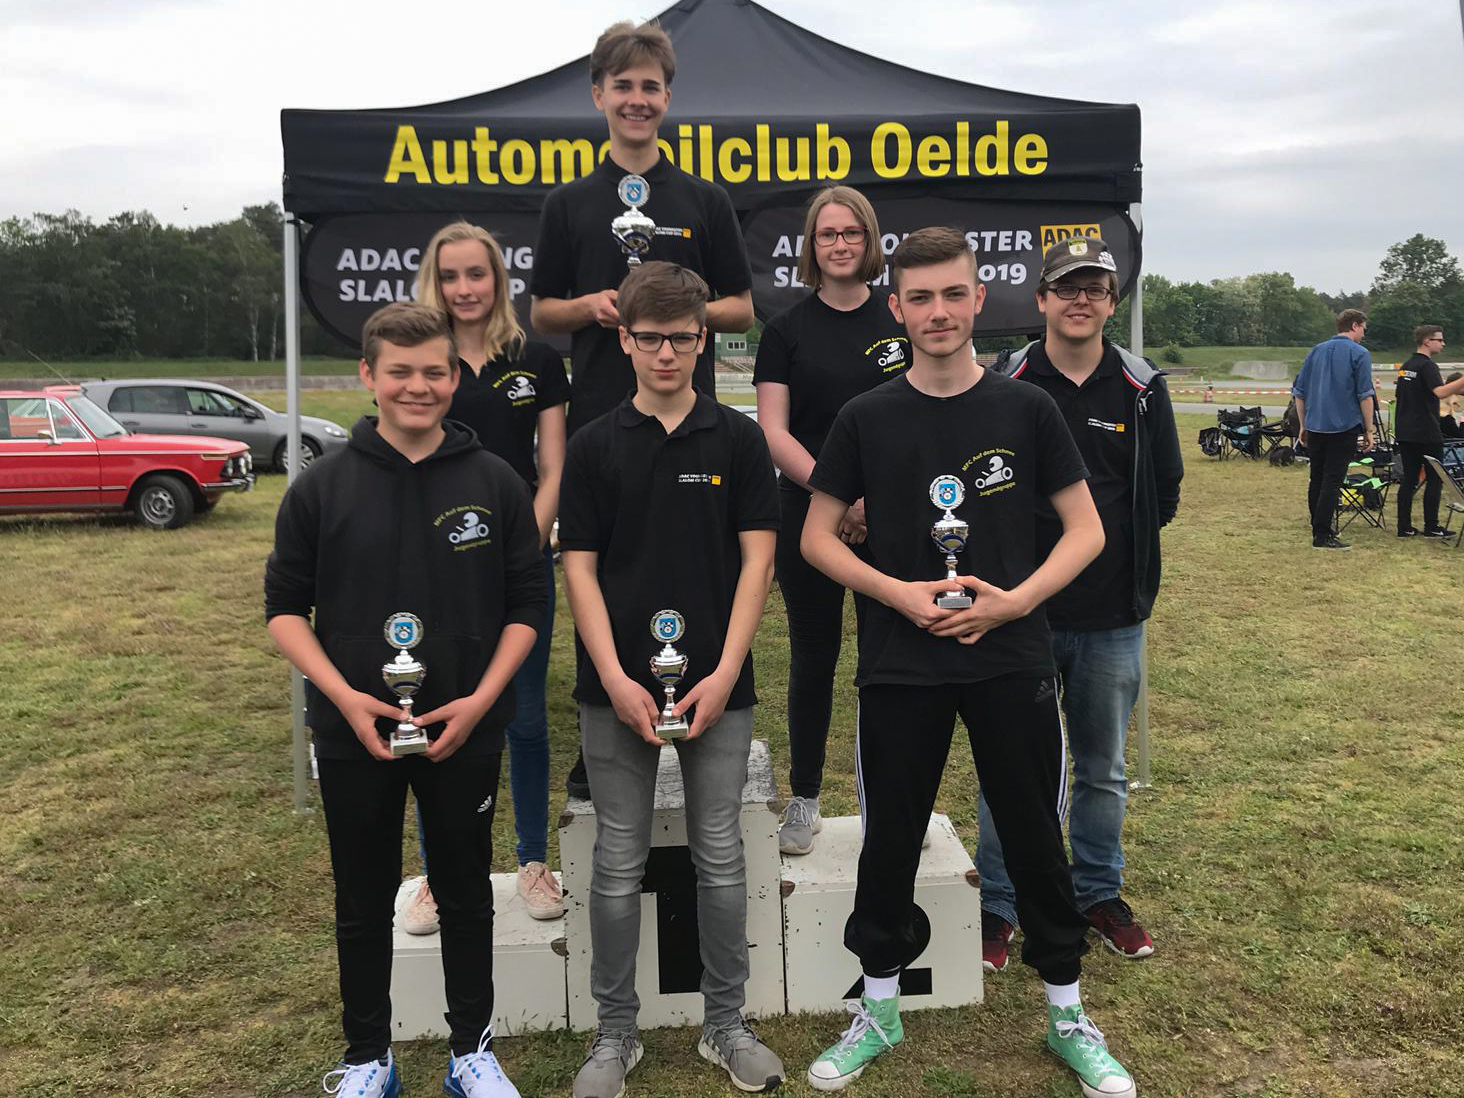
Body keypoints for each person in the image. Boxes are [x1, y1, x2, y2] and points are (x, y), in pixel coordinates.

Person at [800, 228, 1134, 1097]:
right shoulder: (865, 416)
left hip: (1010, 657)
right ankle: (879, 1008)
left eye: (955, 294)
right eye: (921, 297)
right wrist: (898, 594)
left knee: (1035, 841)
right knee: (889, 841)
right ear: (897, 307)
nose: (939, 312)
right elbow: (816, 538)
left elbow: (1087, 530)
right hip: (900, 663)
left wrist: (1016, 601)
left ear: (980, 300)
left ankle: (1067, 1013)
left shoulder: (1027, 410)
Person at [265, 303, 546, 1098]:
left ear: (455, 377)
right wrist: (345, 697)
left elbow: (528, 604)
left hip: (466, 726)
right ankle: (368, 1058)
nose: (417, 387)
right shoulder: (322, 486)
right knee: (361, 897)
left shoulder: (495, 481)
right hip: (353, 729)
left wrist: (483, 699)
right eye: (400, 372)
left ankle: (471, 1054)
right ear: (369, 375)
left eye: (433, 372)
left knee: (465, 893)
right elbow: (283, 609)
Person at [558, 261, 784, 1097]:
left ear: (703, 340)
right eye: (649, 338)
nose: (665, 354)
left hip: (718, 686)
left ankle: (726, 1024)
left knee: (719, 852)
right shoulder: (592, 445)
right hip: (614, 688)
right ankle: (615, 1035)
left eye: (681, 339)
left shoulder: (739, 441)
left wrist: (725, 672)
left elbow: (759, 562)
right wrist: (614, 678)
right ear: (623, 339)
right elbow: (579, 570)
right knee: (617, 857)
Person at [531, 17, 754, 801]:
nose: (636, 99)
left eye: (649, 87)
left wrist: (674, 313)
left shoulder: (703, 199)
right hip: (602, 421)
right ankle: (603, 735)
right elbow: (540, 312)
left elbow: (742, 306)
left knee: (696, 567)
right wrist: (593, 306)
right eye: (622, 85)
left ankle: (701, 707)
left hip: (693, 423)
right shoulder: (569, 203)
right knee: (602, 572)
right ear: (598, 95)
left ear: (667, 98)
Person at [979, 237, 1183, 972]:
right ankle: (998, 904)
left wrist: (1113, 559)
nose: (1080, 300)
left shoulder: (1141, 386)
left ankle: (1098, 893)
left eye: (1095, 288)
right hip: (1019, 614)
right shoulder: (1004, 380)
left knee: (1102, 768)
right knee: (1013, 767)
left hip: (1110, 619)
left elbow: (1162, 493)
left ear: (1112, 302)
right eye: (1067, 287)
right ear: (1041, 300)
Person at [396, 222, 569, 933]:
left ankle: (532, 861)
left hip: (520, 566)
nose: (464, 289)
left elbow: (553, 467)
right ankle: (441, 873)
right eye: (450, 276)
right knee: (439, 715)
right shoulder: (423, 361)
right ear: (433, 283)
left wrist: (521, 549)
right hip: (439, 571)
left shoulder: (537, 358)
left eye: (477, 274)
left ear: (498, 279)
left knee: (524, 719)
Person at [753, 186, 908, 855]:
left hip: (892, 515)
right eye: (826, 234)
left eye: (851, 233)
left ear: (869, 240)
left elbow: (920, 415)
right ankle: (806, 797)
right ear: (811, 246)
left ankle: (890, 799)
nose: (839, 244)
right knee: (813, 658)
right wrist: (838, 498)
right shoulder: (785, 329)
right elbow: (773, 431)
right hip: (809, 513)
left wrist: (876, 499)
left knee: (887, 662)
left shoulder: (900, 315)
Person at [1292, 309, 1376, 551]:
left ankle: (1318, 526)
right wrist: (1369, 430)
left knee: (1317, 478)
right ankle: (1322, 535)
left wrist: (1303, 425)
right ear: (1355, 325)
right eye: (1363, 329)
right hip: (1343, 427)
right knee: (1332, 480)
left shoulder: (1316, 350)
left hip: (1316, 426)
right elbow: (1365, 395)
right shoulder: (1359, 353)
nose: (1364, 334)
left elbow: (1299, 393)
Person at [1395, 325, 1464, 538]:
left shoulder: (1407, 366)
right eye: (1439, 340)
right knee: (1435, 478)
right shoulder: (1428, 365)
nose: (1443, 343)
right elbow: (1440, 392)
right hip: (1426, 431)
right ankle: (1431, 526)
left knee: (1409, 479)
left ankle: (1404, 527)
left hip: (1405, 430)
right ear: (1427, 341)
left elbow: (1414, 393)